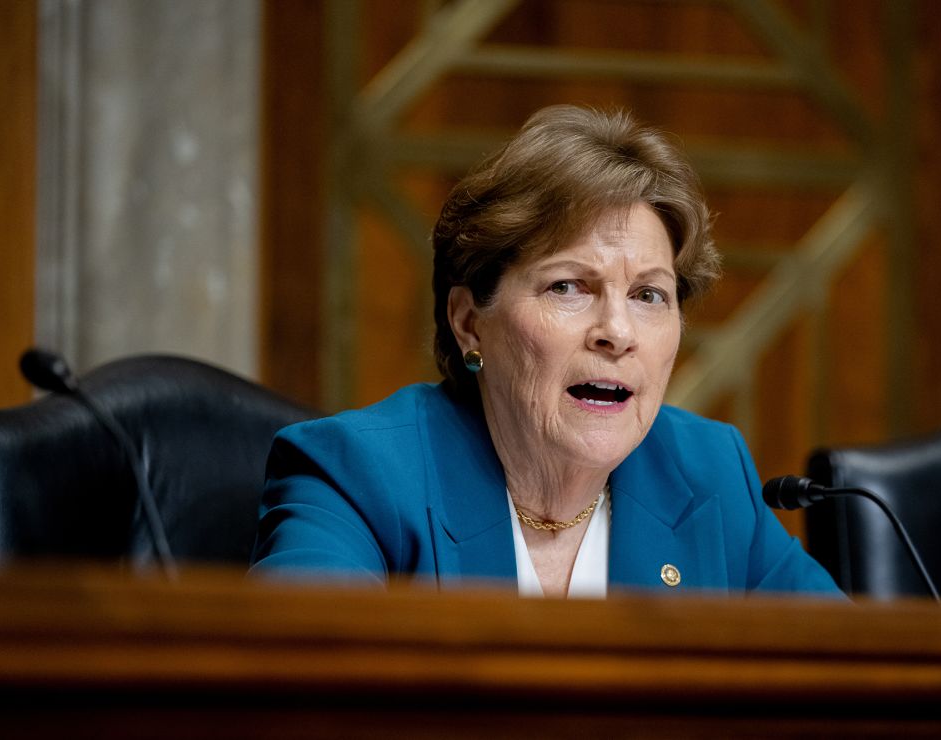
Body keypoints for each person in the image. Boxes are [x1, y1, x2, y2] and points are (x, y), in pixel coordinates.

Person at [251, 105, 842, 599]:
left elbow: (851, 680)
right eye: (568, 286)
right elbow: (296, 690)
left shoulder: (707, 473)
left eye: (648, 295)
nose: (617, 331)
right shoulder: (357, 476)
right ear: (469, 323)